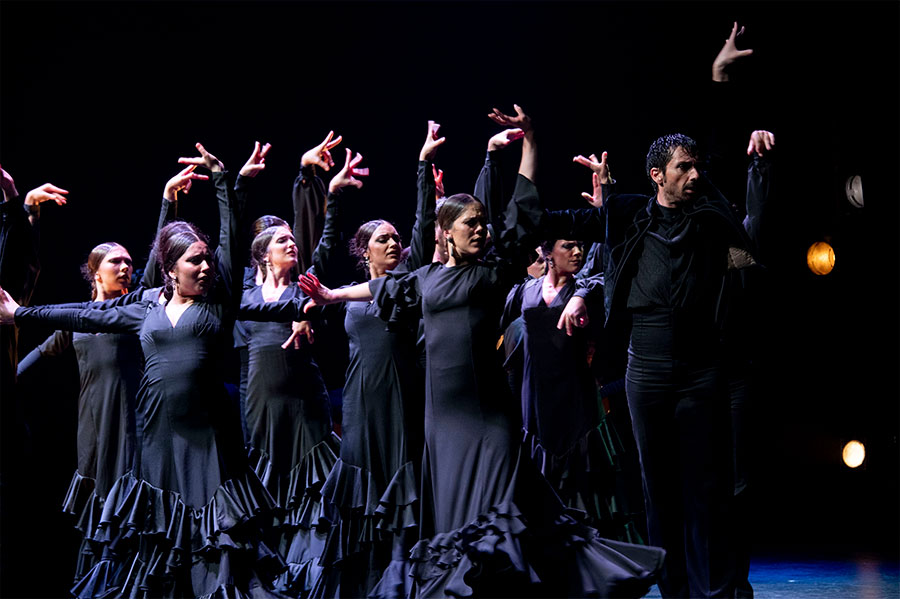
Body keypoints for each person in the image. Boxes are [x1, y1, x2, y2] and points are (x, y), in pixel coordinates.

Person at [299, 109, 665, 599]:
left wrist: (531, 142)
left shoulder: (492, 273)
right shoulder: (424, 278)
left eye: (481, 224)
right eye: (470, 224)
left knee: (500, 518)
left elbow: (524, 210)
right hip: (440, 427)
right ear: (445, 232)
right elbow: (376, 288)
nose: (480, 230)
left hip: (488, 419)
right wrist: (329, 296)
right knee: (457, 527)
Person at [0, 143, 314, 597]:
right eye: (194, 260)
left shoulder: (218, 302)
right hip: (156, 439)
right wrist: (21, 315)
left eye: (206, 259)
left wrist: (227, 182)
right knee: (161, 540)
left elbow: (229, 239)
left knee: (217, 539)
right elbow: (84, 316)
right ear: (169, 269)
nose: (205, 267)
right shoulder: (145, 305)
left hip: (207, 438)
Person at [541, 127, 771, 597]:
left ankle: (716, 590)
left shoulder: (709, 220)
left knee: (706, 487)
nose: (694, 174)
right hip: (645, 366)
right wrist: (583, 290)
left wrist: (758, 167)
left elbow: (748, 236)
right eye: (683, 166)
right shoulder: (630, 216)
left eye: (695, 166)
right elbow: (590, 246)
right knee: (657, 487)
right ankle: (674, 591)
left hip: (701, 365)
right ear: (656, 175)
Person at [308, 123, 438, 599]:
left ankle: (404, 570)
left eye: (394, 237)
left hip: (402, 394)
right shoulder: (344, 293)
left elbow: (423, 228)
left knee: (403, 475)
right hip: (360, 402)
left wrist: (422, 166)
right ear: (364, 251)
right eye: (382, 238)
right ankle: (365, 574)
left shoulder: (408, 282)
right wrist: (332, 196)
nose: (392, 242)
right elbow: (318, 255)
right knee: (363, 482)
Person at [239, 219, 339, 596]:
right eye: (283, 239)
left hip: (305, 399)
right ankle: (273, 570)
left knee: (311, 484)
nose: (292, 243)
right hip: (261, 399)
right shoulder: (245, 295)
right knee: (270, 479)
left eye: (294, 239)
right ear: (263, 253)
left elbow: (326, 248)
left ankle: (310, 571)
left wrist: (329, 191)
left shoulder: (303, 289)